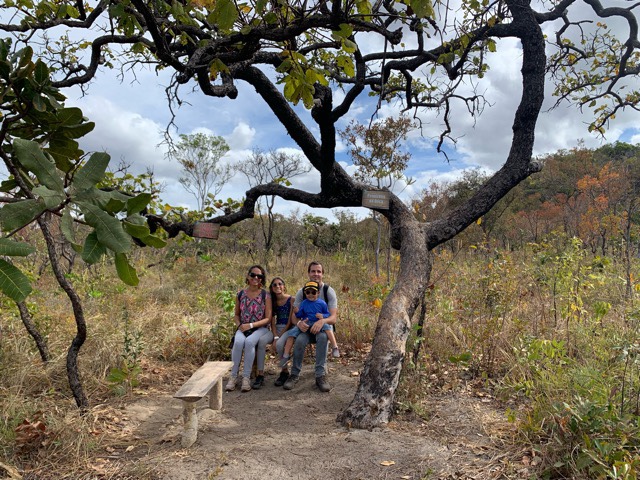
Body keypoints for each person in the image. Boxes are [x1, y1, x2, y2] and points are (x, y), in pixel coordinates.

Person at [278, 261, 338, 392]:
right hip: (306, 327)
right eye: (313, 271)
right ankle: (294, 374)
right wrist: (299, 323)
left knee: (322, 338)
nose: (316, 274)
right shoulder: (302, 292)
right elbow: (295, 315)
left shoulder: (328, 291)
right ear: (308, 273)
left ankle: (320, 375)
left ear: (322, 274)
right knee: (299, 340)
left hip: (323, 328)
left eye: (319, 271)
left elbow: (333, 318)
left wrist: (322, 321)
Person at [226, 265, 272, 392]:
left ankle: (246, 377)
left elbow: (268, 318)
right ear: (248, 276)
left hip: (260, 328)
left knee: (250, 342)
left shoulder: (265, 295)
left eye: (259, 276)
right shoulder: (240, 294)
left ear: (262, 279)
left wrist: (251, 325)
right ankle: (233, 376)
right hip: (243, 327)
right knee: (238, 341)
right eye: (253, 275)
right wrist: (239, 325)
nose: (256, 278)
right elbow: (236, 314)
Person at [279, 281, 337, 367]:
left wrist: (322, 316)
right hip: (306, 323)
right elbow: (300, 315)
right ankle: (286, 355)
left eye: (313, 292)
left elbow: (328, 314)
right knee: (292, 334)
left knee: (327, 328)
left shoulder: (322, 303)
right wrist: (297, 312)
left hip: (318, 323)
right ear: (305, 293)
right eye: (308, 292)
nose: (310, 294)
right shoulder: (304, 303)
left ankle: (335, 347)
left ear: (318, 293)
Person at [255, 276, 294, 388]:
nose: (277, 286)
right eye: (274, 285)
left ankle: (284, 372)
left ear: (284, 286)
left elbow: (290, 322)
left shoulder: (291, 300)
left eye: (280, 284)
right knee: (262, 341)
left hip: (288, 328)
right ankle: (260, 374)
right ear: (271, 288)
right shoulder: (272, 301)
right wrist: (275, 336)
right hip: (276, 328)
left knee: (280, 344)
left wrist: (279, 337)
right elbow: (272, 322)